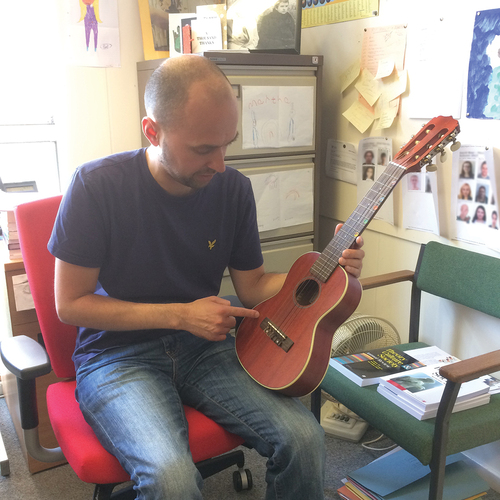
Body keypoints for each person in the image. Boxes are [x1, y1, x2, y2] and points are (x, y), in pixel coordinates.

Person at [47, 55, 365, 500]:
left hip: (206, 349)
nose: (219, 163)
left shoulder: (233, 189)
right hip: (117, 357)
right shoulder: (96, 186)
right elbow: (70, 304)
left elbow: (252, 284)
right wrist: (181, 315)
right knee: (171, 479)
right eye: (202, 149)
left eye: (226, 143)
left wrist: (325, 271)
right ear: (152, 130)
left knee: (305, 439)